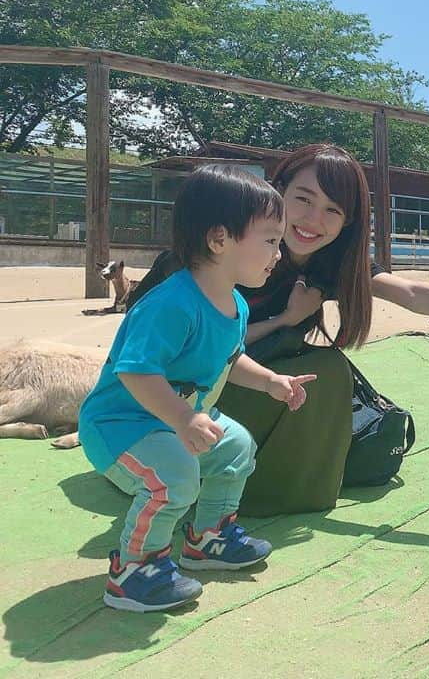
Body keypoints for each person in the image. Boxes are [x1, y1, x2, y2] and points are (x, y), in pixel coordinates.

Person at [127, 144, 429, 516]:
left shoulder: (328, 263)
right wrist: (286, 321)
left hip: (253, 390)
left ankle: (257, 482)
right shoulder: (211, 254)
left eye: (332, 210)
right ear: (275, 191)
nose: (313, 219)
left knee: (327, 381)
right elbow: (174, 352)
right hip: (178, 401)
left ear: (348, 223)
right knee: (327, 369)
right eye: (303, 198)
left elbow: (413, 292)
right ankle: (232, 491)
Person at [78, 166, 317, 613]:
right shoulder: (172, 303)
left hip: (175, 420)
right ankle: (133, 571)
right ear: (219, 239)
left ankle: (209, 538)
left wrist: (269, 381)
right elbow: (136, 372)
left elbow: (229, 358)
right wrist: (185, 418)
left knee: (237, 447)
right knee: (174, 477)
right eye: (269, 240)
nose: (278, 254)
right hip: (121, 426)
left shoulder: (236, 303)